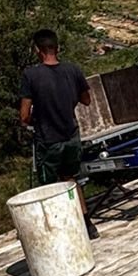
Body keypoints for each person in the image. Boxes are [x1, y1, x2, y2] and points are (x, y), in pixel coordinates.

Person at [19, 29, 92, 188]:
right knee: (71, 180)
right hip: (71, 136)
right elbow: (87, 100)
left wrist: (34, 121)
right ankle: (81, 212)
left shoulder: (30, 75)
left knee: (49, 187)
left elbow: (24, 116)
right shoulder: (73, 70)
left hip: (48, 140)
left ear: (37, 50)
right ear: (57, 48)